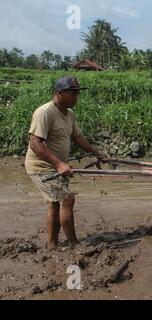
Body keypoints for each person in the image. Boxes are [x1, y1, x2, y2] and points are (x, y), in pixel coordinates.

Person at [25, 76, 106, 250]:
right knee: (67, 199)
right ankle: (74, 245)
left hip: (56, 165)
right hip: (41, 166)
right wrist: (59, 164)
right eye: (73, 94)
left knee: (55, 204)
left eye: (77, 94)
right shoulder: (44, 112)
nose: (76, 98)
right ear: (59, 93)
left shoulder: (69, 114)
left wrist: (97, 154)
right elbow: (35, 144)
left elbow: (78, 137)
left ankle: (52, 244)